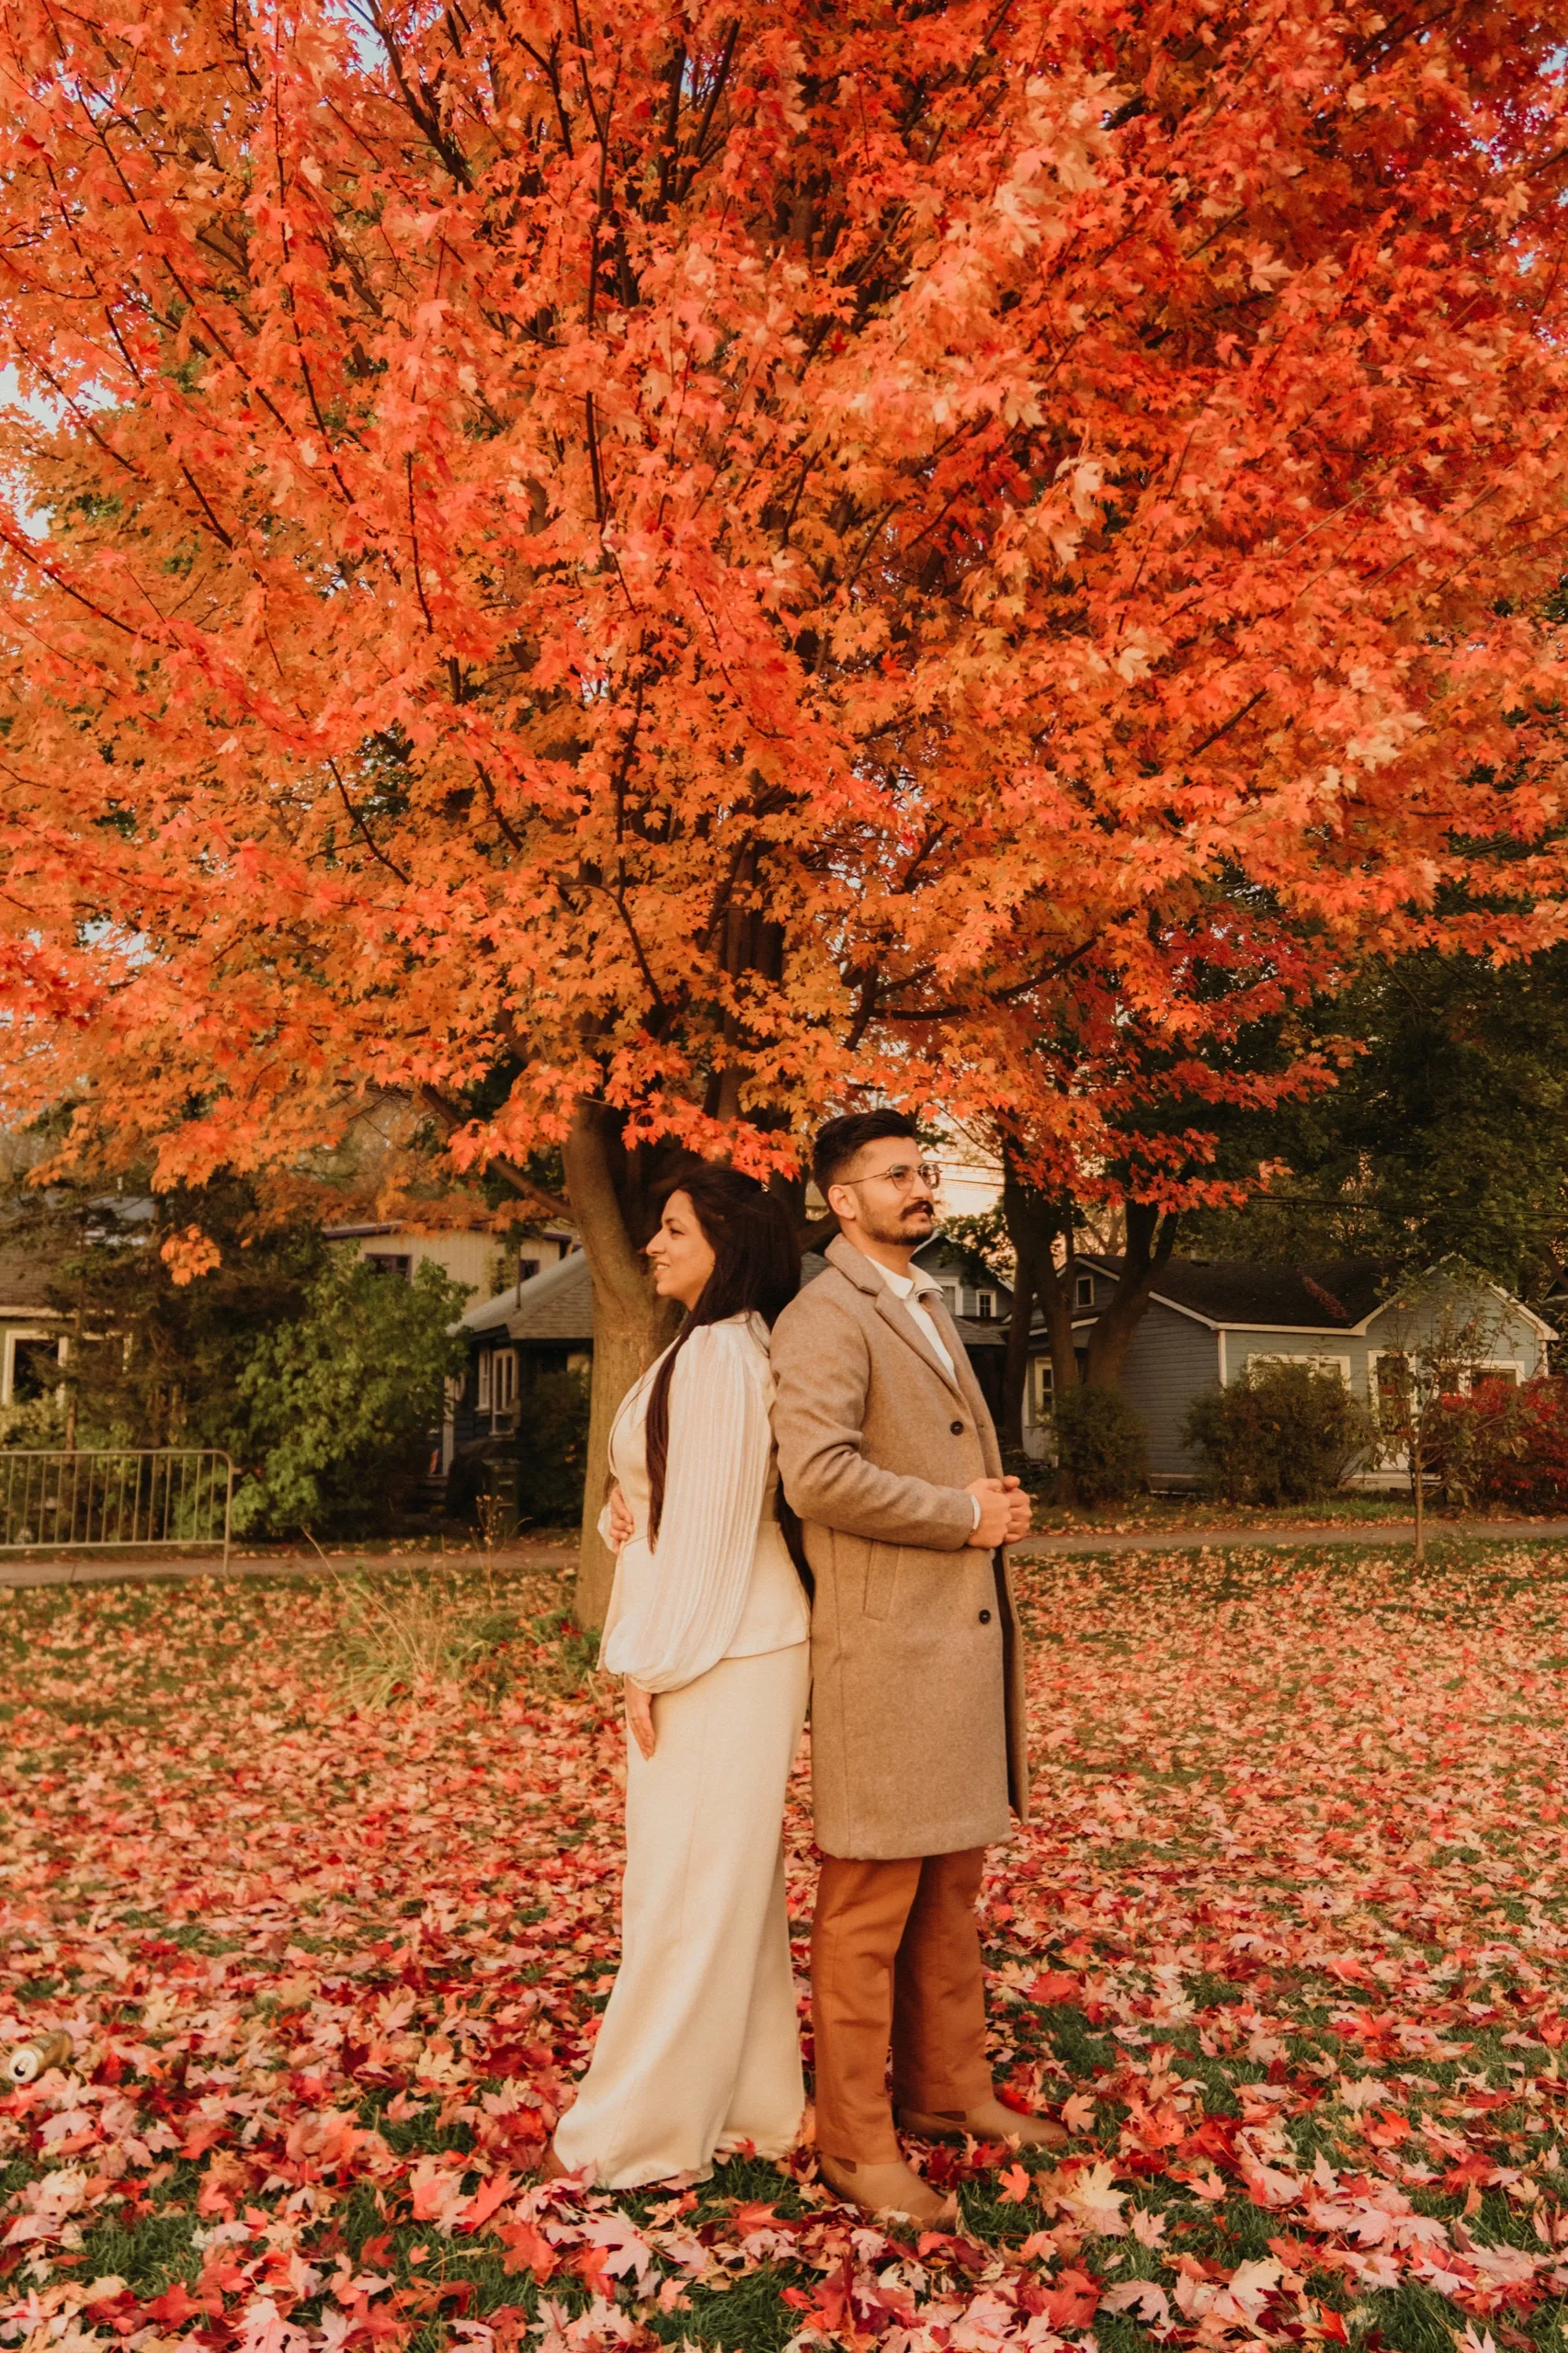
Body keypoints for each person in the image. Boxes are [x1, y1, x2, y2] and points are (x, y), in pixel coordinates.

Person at [770, 1110, 1064, 2230]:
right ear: (840, 1201)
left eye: (923, 1170)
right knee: (865, 1908)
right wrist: (960, 1514)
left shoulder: (923, 1299)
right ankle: (855, 2142)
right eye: (895, 1174)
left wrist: (990, 1511)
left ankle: (946, 2092)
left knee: (949, 1890)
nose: (919, 1185)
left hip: (952, 1646)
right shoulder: (822, 1315)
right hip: (883, 1653)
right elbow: (817, 1476)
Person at [543, 1165, 812, 2189]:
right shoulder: (700, 1350)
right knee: (721, 1889)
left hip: (721, 1650)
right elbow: (677, 1496)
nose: (650, 1245)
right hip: (718, 1640)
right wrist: (629, 1501)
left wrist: (647, 1667)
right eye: (654, 1229)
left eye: (671, 1230)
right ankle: (747, 2106)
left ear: (727, 1244)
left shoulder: (723, 1359)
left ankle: (633, 2136)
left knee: (682, 1892)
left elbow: (709, 1538)